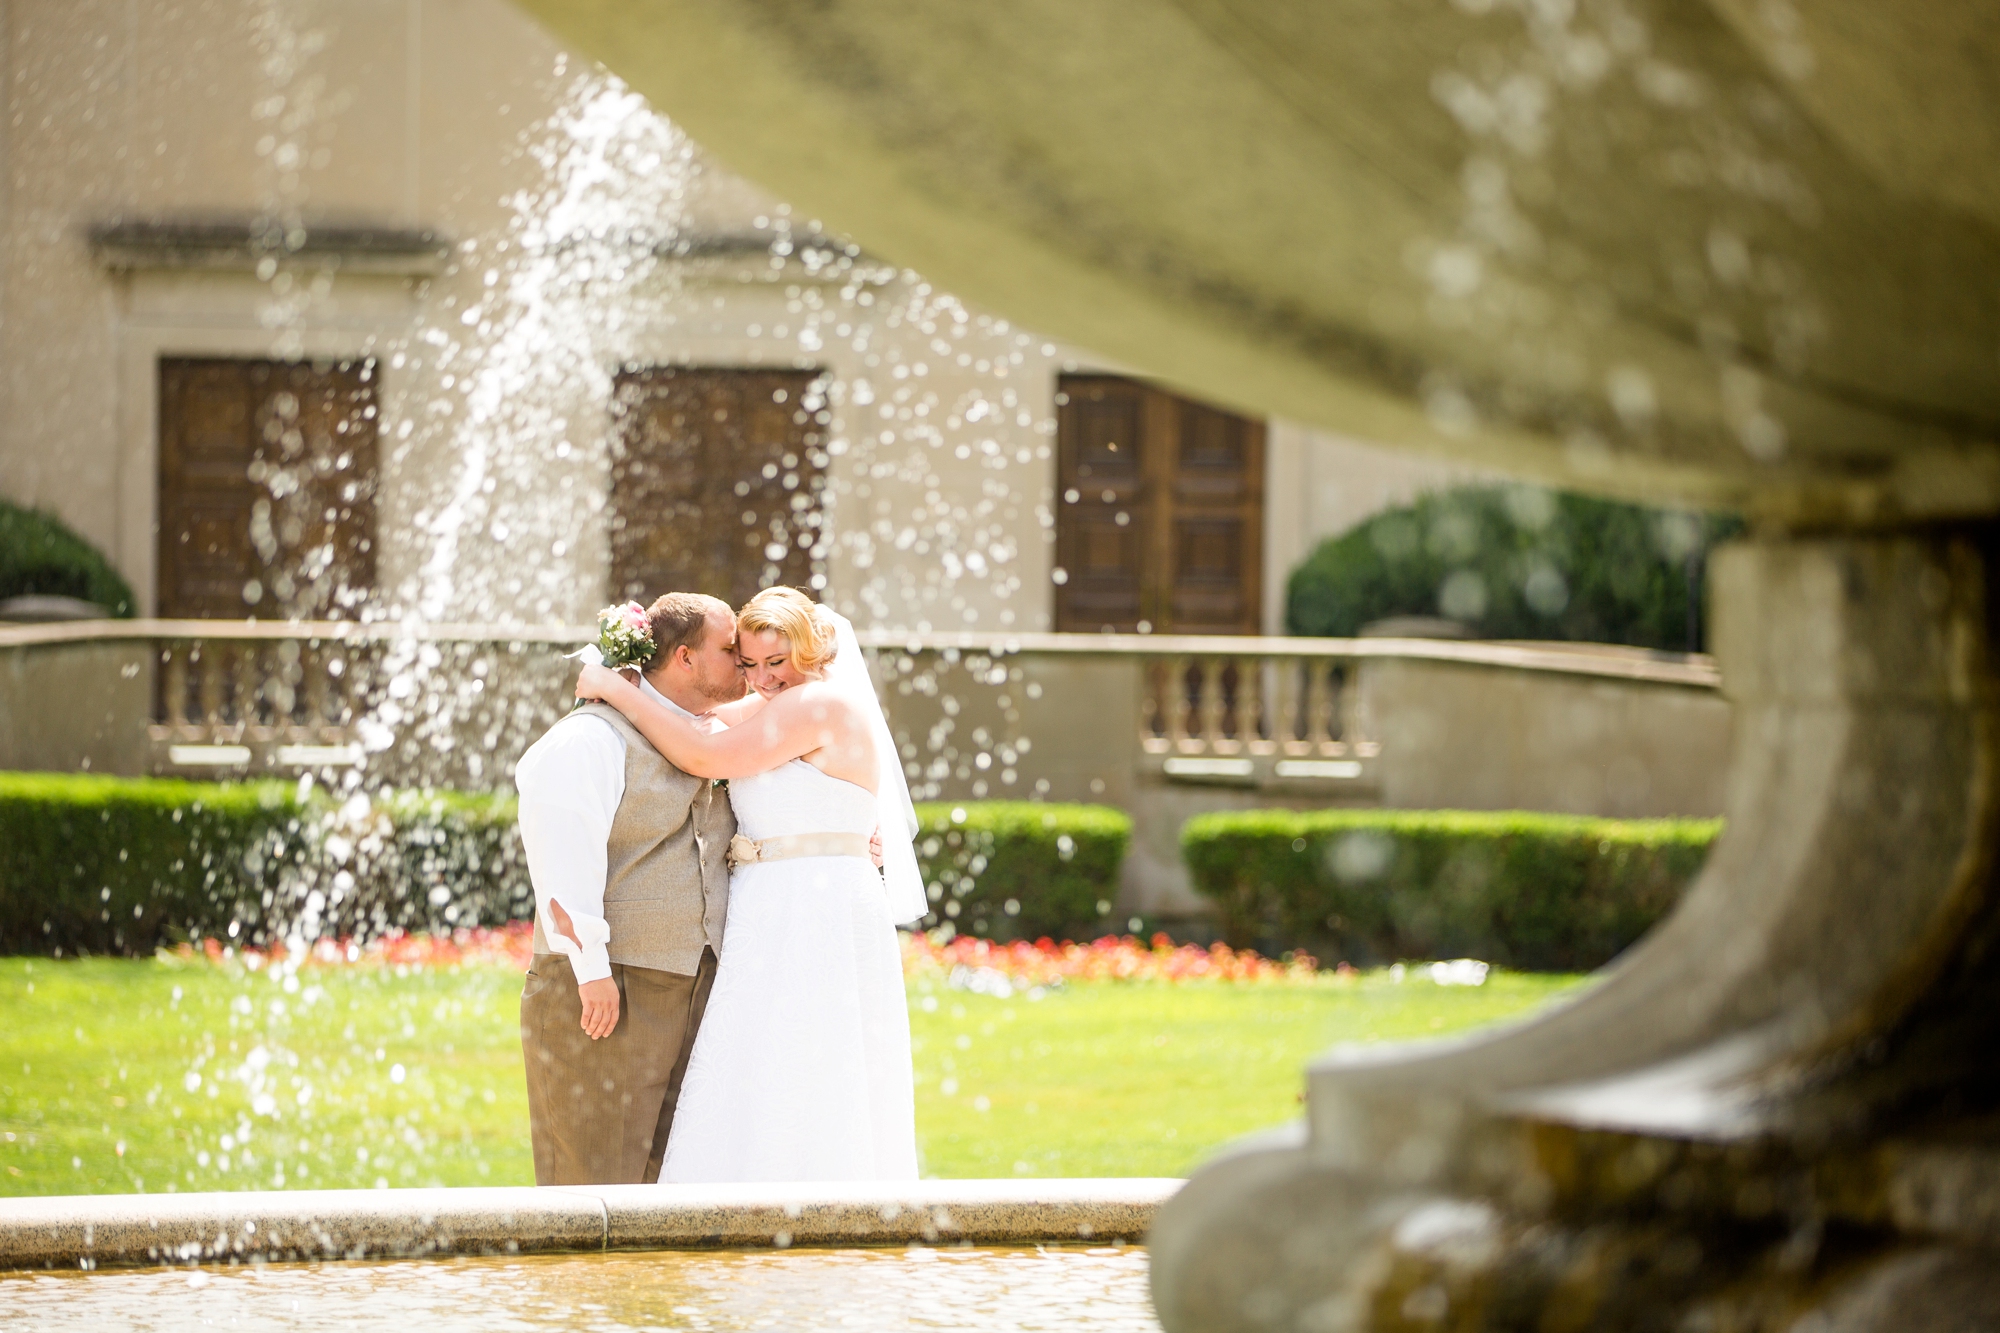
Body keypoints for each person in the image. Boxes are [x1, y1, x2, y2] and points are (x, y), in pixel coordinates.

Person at [574, 586, 926, 1182]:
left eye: (776, 663)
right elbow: (697, 720)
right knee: (760, 1055)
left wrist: (610, 688)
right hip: (770, 903)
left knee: (809, 1052)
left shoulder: (817, 704)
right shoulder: (775, 703)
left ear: (811, 652)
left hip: (817, 904)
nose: (762, 679)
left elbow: (704, 756)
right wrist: (637, 676)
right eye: (750, 664)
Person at [515, 592, 743, 1186]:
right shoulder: (588, 739)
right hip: (607, 987)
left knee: (667, 1182)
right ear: (686, 658)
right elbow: (562, 858)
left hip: (692, 983)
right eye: (729, 649)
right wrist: (591, 972)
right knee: (592, 1179)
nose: (744, 661)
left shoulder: (715, 737)